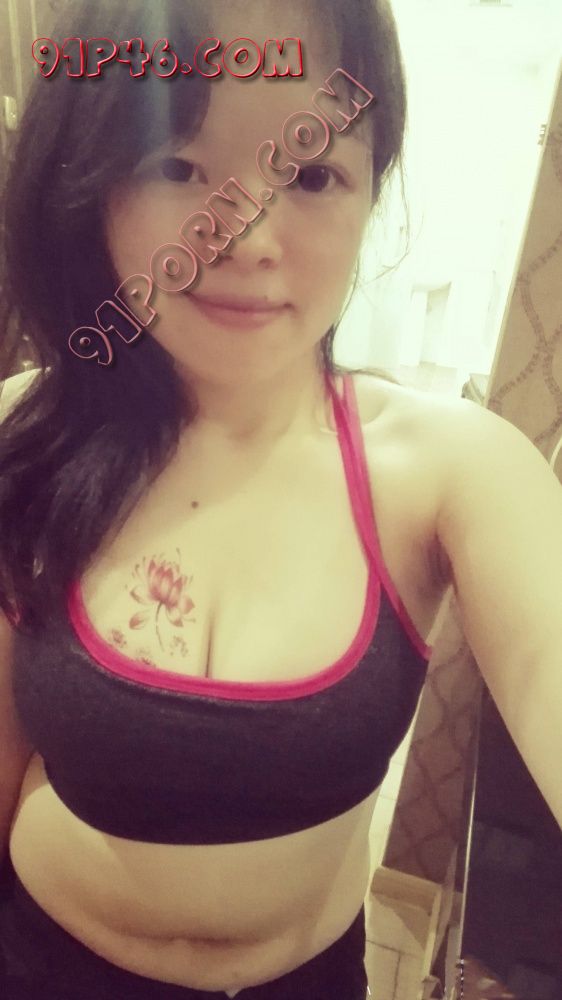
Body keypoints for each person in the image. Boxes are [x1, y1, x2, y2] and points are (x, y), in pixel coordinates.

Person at [0, 1, 561, 998]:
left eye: (310, 175)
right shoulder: (25, 434)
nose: (246, 236)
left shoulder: (450, 468)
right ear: (92, 184)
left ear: (370, 193)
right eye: (177, 164)